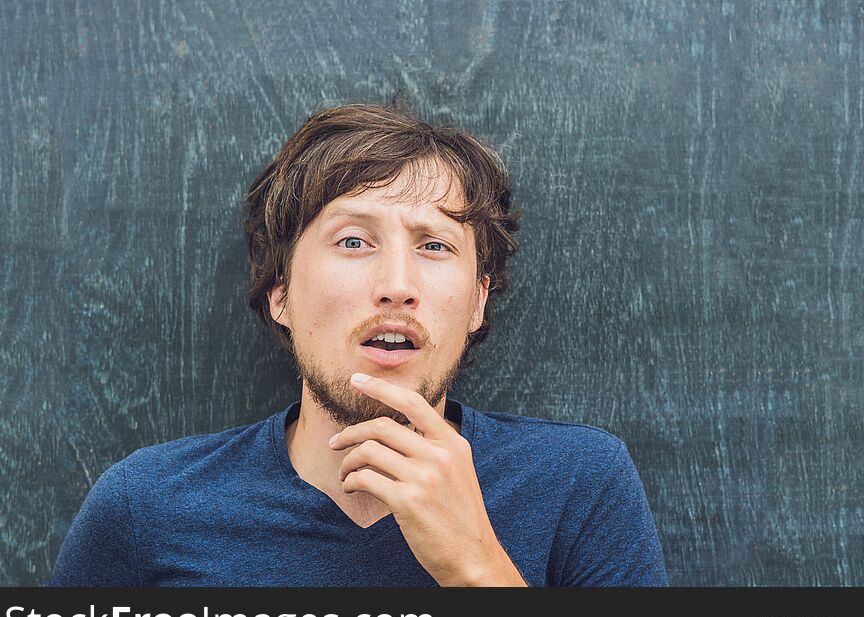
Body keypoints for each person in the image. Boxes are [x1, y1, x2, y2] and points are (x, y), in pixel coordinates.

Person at [49, 100, 669, 587]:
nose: (397, 287)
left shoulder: (581, 484)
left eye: (435, 245)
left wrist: (477, 569)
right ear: (280, 293)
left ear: (478, 300)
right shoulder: (146, 506)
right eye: (353, 242)